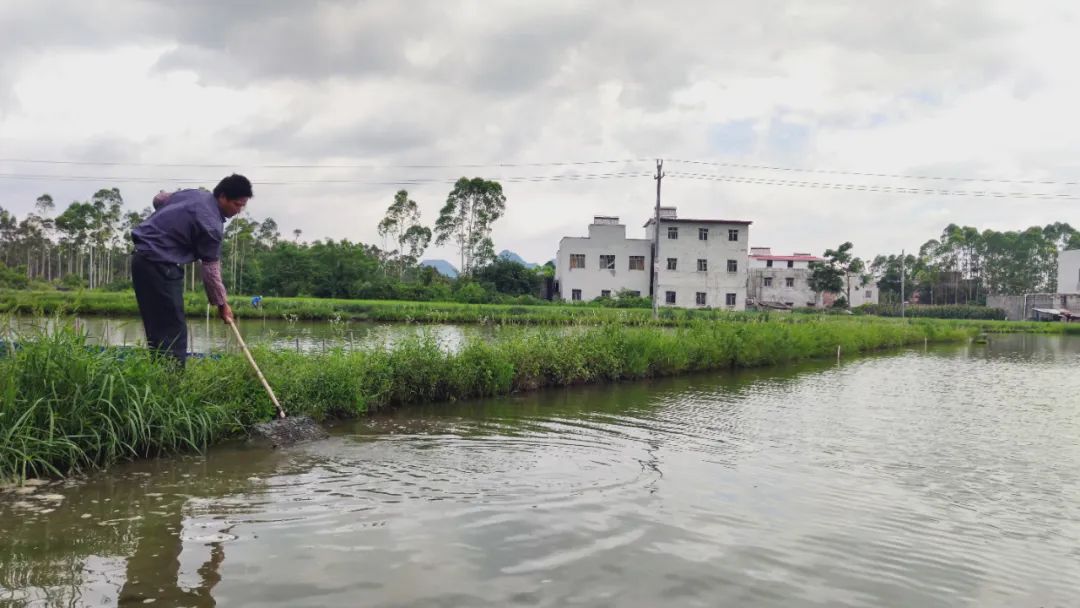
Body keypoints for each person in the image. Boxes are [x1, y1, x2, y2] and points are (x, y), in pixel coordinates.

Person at [130, 174, 252, 366]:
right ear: (222, 197)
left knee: (158, 328)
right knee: (172, 331)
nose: (239, 210)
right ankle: (171, 382)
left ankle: (159, 379)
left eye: (243, 206)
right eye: (237, 204)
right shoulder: (211, 225)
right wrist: (222, 304)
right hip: (160, 266)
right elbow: (211, 271)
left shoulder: (195, 194)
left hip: (140, 261)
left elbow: (159, 199)